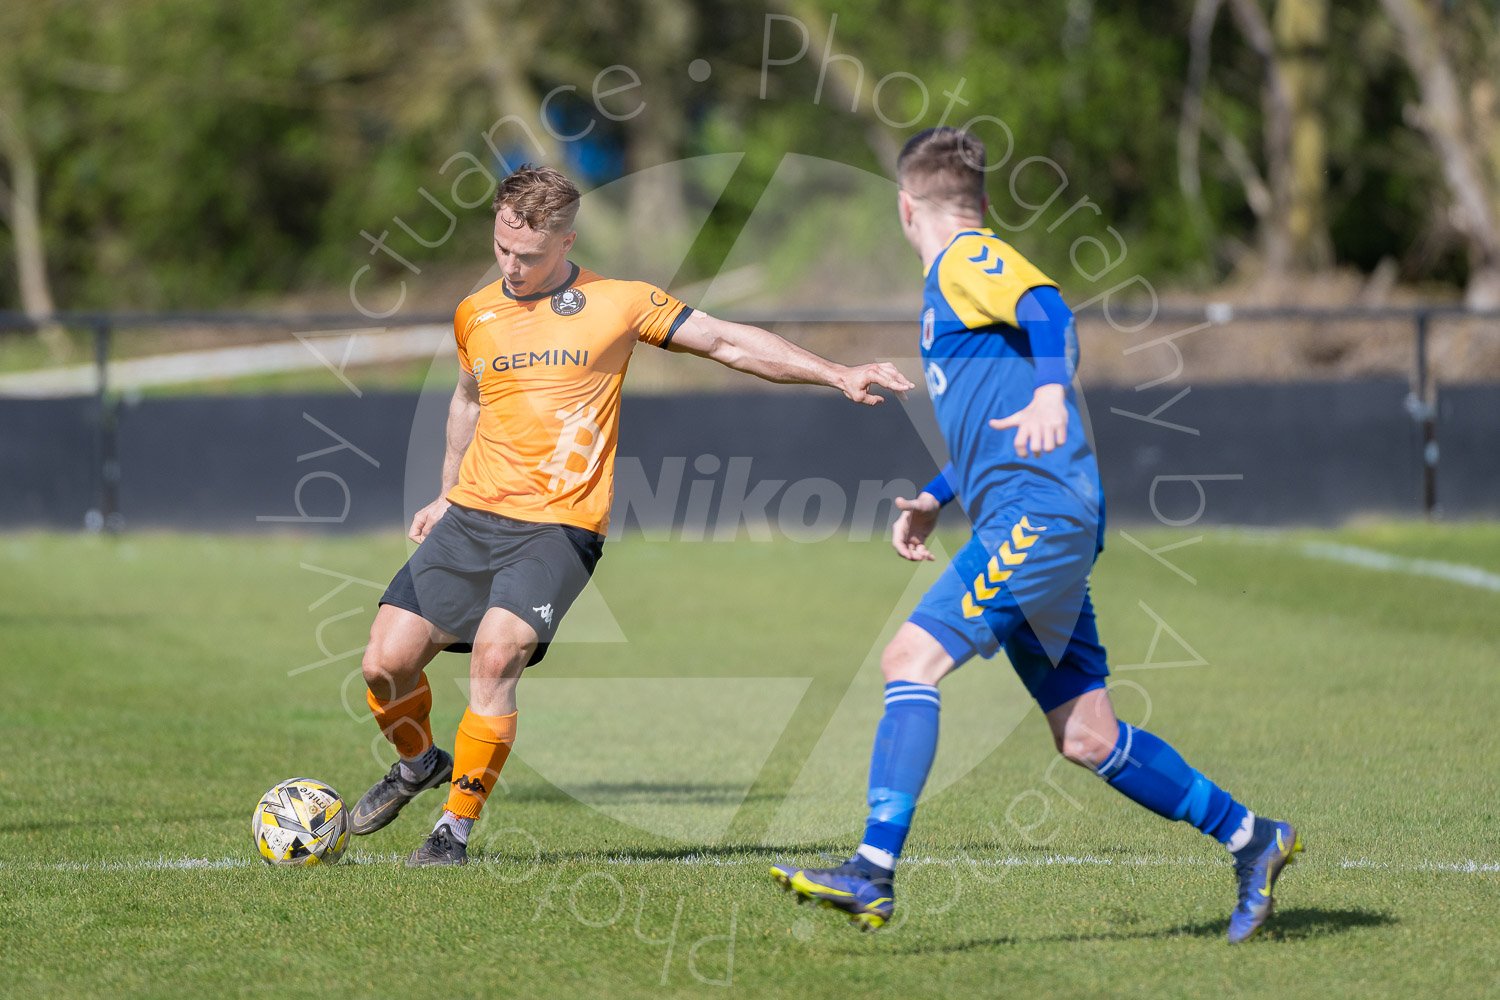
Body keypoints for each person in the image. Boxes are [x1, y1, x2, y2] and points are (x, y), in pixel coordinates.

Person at [770, 127, 1299, 943]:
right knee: (1087, 735)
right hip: (1031, 517)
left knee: (909, 660)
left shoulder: (966, 258)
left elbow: (1049, 307)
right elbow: (994, 425)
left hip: (1038, 518)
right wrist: (937, 496)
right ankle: (1253, 837)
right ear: (980, 198)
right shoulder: (958, 282)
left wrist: (1054, 389)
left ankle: (872, 872)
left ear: (906, 207)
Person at [352, 164, 914, 867]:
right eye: (501, 248)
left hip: (558, 527)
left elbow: (726, 341)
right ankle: (418, 764)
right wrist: (444, 491)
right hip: (471, 516)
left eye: (527, 255)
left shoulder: (618, 302)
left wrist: (836, 373)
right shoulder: (476, 312)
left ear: (567, 242)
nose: (511, 265)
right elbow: (468, 398)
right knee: (384, 665)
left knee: (496, 656)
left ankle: (452, 831)